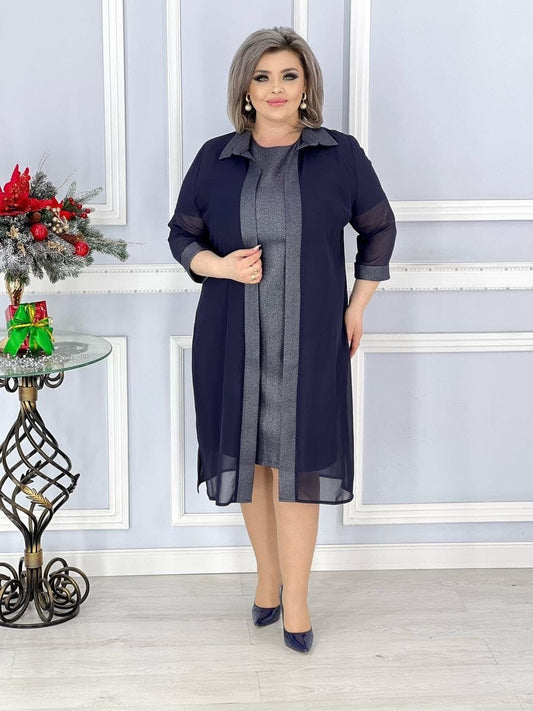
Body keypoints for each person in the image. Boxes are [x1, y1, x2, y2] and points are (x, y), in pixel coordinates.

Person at [168, 26, 396, 653]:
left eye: (288, 76)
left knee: (298, 464)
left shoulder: (340, 154)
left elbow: (379, 229)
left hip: (312, 336)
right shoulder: (214, 158)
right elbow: (182, 235)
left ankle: (297, 597)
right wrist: (219, 266)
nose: (275, 88)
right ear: (245, 89)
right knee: (252, 461)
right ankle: (267, 577)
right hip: (230, 335)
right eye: (262, 76)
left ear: (305, 86)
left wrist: (356, 307)